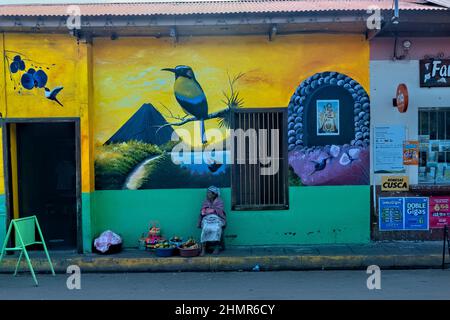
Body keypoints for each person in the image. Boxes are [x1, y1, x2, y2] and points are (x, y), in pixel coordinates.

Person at [197, 186, 226, 256]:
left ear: (214, 194)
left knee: (216, 228)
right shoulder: (205, 201)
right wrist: (204, 211)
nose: (207, 194)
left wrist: (212, 210)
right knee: (205, 228)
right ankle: (203, 248)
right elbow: (203, 210)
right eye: (207, 193)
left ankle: (216, 247)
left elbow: (220, 211)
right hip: (206, 218)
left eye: (209, 193)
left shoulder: (220, 201)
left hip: (217, 218)